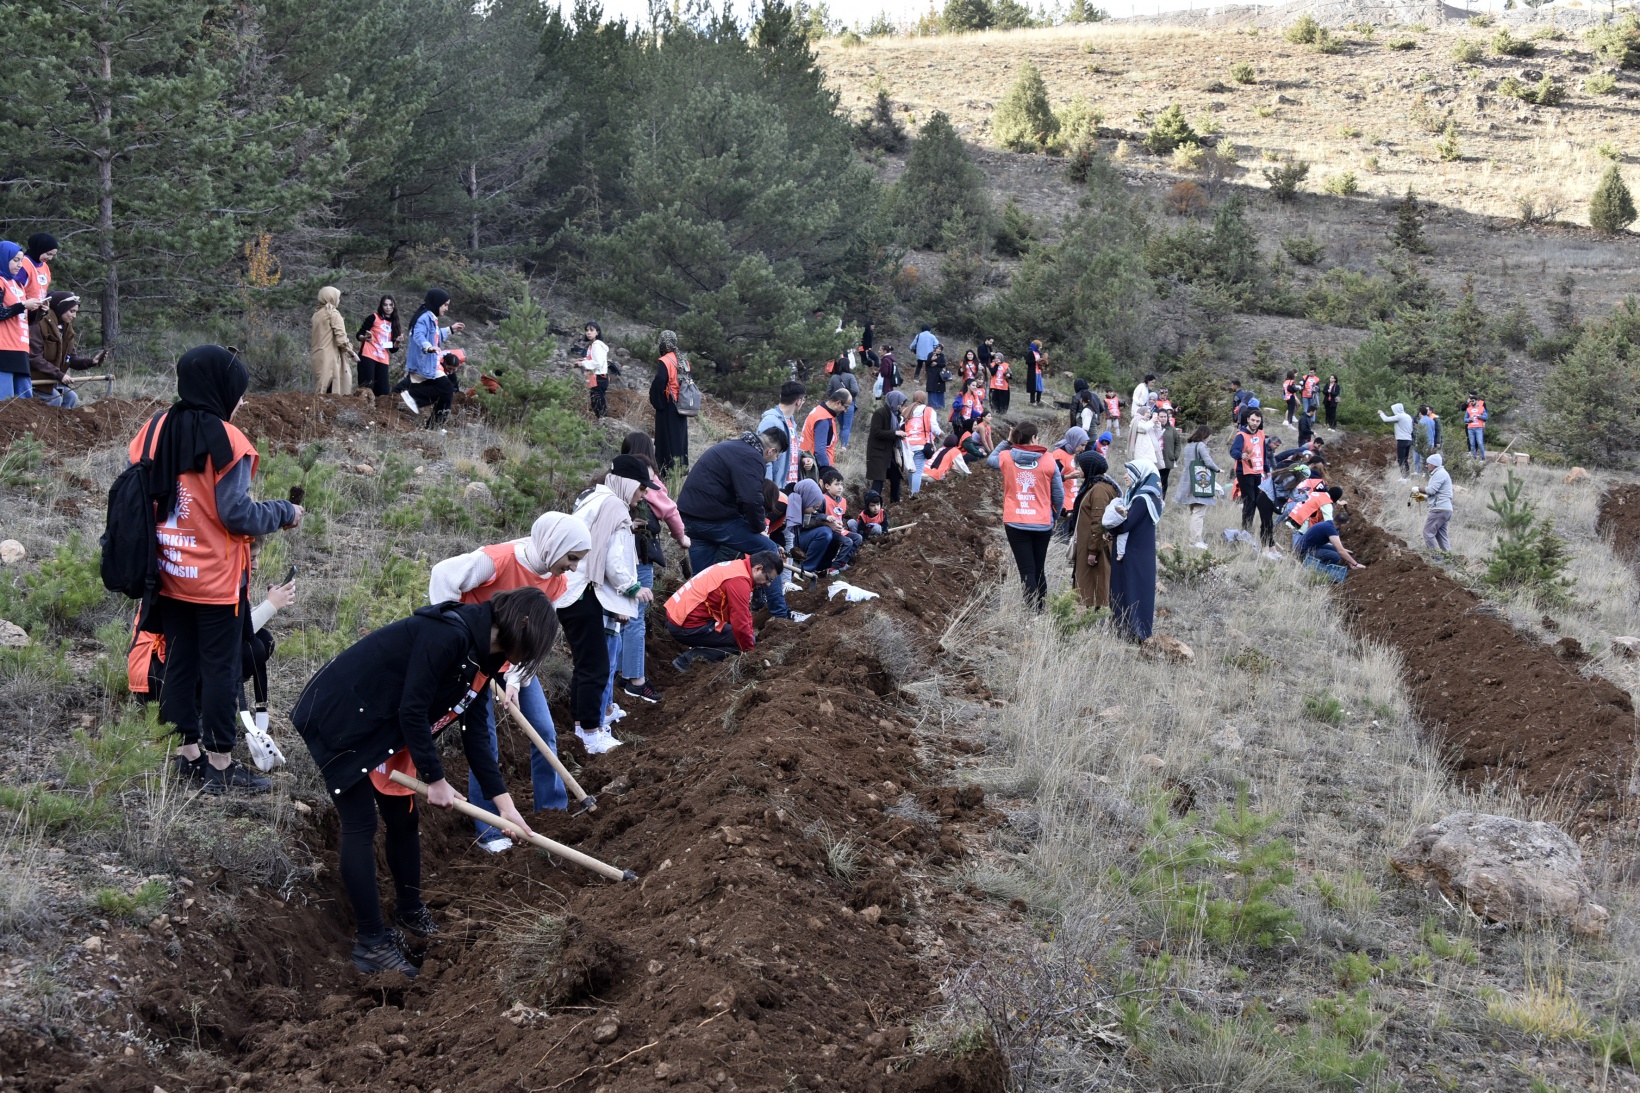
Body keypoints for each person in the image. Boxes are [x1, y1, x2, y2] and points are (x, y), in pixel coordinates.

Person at [291, 587, 555, 976]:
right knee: (361, 823)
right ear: (524, 624)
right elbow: (412, 709)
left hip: (383, 723)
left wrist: (505, 804)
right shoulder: (450, 634)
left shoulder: (487, 656)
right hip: (343, 715)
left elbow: (475, 731)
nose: (528, 660)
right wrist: (436, 779)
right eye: (535, 647)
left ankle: (410, 910)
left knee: (403, 819)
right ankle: (371, 944)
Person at [130, 346, 303, 793]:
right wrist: (285, 512)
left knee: (181, 663)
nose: (241, 402)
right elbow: (237, 515)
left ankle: (187, 756)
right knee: (222, 670)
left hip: (165, 574)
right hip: (215, 583)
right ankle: (221, 766)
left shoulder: (151, 431)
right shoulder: (229, 441)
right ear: (220, 389)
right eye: (238, 393)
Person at [427, 513, 591, 847]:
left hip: (513, 662)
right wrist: (456, 639)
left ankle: (551, 812)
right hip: (473, 661)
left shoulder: (556, 581)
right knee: (483, 739)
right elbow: (442, 574)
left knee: (544, 730)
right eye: (572, 558)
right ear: (555, 545)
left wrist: (516, 679)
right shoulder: (498, 561)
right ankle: (489, 829)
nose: (574, 567)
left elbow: (538, 638)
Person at [570, 457, 653, 754]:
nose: (642, 495)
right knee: (596, 666)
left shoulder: (592, 496)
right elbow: (613, 560)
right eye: (642, 489)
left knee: (587, 665)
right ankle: (592, 733)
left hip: (572, 589)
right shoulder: (615, 505)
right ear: (629, 482)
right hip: (584, 591)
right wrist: (632, 589)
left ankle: (582, 726)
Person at [618, 432, 690, 703]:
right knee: (635, 616)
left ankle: (618, 672)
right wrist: (681, 537)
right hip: (639, 552)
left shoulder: (614, 472)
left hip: (616, 554)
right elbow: (669, 510)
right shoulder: (645, 472)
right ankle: (635, 680)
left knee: (617, 616)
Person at [678, 429, 789, 575]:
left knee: (704, 578)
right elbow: (751, 499)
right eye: (777, 455)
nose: (775, 459)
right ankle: (771, 598)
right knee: (769, 550)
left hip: (690, 518)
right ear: (771, 451)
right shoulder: (752, 457)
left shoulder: (731, 446)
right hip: (713, 520)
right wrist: (759, 529)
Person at [989, 421, 1064, 609]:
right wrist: (1054, 517)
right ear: (1033, 438)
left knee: (1026, 570)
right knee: (1039, 569)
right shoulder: (1049, 460)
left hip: (1015, 522)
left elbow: (991, 459)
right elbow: (1058, 494)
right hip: (1042, 522)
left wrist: (1007, 441)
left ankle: (1031, 610)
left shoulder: (1006, 457)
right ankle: (1041, 609)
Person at [665, 551, 781, 672]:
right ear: (758, 568)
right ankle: (687, 661)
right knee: (740, 641)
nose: (768, 584)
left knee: (740, 634)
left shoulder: (737, 566)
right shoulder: (739, 581)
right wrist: (750, 653)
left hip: (680, 615)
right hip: (686, 625)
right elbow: (740, 625)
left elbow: (742, 614)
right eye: (768, 578)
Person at [1104, 459, 1163, 642]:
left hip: (1133, 553)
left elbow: (1127, 524)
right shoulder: (1141, 495)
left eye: (1129, 473)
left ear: (1140, 474)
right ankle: (1124, 630)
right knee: (1128, 588)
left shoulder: (1142, 499)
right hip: (1137, 551)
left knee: (1131, 589)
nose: (1125, 476)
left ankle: (1134, 632)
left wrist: (1109, 528)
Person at [28, 292, 106, 408]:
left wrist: (91, 362)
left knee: (71, 397)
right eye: (71, 311)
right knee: (55, 399)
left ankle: (60, 425)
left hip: (53, 381)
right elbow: (34, 358)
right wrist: (59, 375)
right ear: (61, 308)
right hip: (36, 381)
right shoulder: (39, 323)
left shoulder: (67, 328)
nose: (74, 316)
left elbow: (71, 358)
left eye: (76, 312)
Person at [401, 289, 464, 423]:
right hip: (423, 363)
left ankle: (434, 423)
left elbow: (434, 336)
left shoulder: (430, 317)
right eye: (445, 305)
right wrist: (428, 347)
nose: (446, 309)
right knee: (446, 388)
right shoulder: (424, 318)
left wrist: (450, 330)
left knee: (446, 390)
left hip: (429, 362)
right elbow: (418, 335)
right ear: (437, 303)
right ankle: (411, 399)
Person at [1070, 451, 1120, 609]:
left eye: (1081, 465)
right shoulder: (1097, 486)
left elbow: (1098, 522)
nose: (1079, 468)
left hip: (1094, 545)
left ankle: (1095, 614)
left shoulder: (1099, 490)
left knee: (1095, 582)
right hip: (1093, 543)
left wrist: (1092, 550)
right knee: (1093, 581)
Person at [0, 241, 46, 399]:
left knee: (26, 402)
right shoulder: (0, 282)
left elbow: (23, 318)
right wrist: (22, 305)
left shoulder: (18, 284)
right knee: (5, 402)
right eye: (15, 260)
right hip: (3, 348)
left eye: (21, 260)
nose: (20, 264)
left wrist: (39, 312)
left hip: (20, 348)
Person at [1229, 409, 1277, 548]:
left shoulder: (1261, 434)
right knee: (1249, 501)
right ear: (1248, 420)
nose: (1255, 423)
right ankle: (1246, 529)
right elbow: (1233, 451)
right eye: (1253, 420)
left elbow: (1263, 453)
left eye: (1258, 421)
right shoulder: (1241, 435)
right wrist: (1241, 455)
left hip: (1258, 471)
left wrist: (1267, 470)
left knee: (1257, 501)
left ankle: (1252, 528)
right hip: (1244, 472)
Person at [1173, 426, 1221, 549]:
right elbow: (1208, 461)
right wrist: (1218, 469)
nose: (1210, 438)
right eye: (1209, 435)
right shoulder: (1201, 446)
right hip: (1200, 481)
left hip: (1188, 480)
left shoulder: (1189, 445)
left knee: (1194, 510)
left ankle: (1194, 539)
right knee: (1199, 512)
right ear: (1206, 435)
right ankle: (1195, 540)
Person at [650, 330, 690, 472]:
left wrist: (657, 402)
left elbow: (660, 381)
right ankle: (680, 468)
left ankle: (666, 469)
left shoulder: (665, 360)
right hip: (682, 403)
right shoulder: (683, 360)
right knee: (679, 437)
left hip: (669, 405)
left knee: (666, 438)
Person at [310, 286, 358, 396]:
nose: (339, 300)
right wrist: (352, 353)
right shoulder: (333, 313)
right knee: (332, 389)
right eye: (338, 298)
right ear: (332, 297)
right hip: (330, 357)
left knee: (321, 387)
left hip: (317, 355)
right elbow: (341, 339)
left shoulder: (316, 314)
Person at [788, 478, 842, 575]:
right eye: (814, 507)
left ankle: (820, 568)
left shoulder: (805, 503)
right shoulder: (788, 504)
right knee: (824, 533)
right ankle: (805, 570)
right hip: (789, 542)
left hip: (798, 537)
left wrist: (827, 522)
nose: (814, 511)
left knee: (832, 534)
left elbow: (808, 521)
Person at [759, 381, 806, 489]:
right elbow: (765, 457)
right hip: (775, 489)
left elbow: (791, 452)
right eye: (803, 400)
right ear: (798, 401)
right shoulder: (771, 421)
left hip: (789, 487)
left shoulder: (790, 421)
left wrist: (802, 458)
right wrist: (769, 488)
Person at [866, 389, 907, 503]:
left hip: (890, 453)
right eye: (899, 403)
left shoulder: (896, 416)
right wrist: (895, 433)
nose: (900, 406)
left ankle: (895, 503)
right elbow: (876, 432)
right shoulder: (880, 413)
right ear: (893, 401)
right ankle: (872, 504)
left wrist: (899, 435)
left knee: (896, 477)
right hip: (878, 453)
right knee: (878, 480)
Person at [354, 296, 399, 399]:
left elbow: (393, 349)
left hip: (383, 358)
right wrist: (364, 338)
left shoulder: (394, 323)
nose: (388, 307)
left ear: (394, 306)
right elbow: (359, 334)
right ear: (381, 306)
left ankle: (379, 414)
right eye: (385, 305)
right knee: (367, 388)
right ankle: (363, 411)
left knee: (383, 392)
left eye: (390, 305)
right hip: (368, 354)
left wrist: (397, 342)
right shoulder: (374, 317)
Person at [819, 468, 862, 572]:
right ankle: (834, 567)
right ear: (827, 486)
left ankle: (843, 563)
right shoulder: (822, 499)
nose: (840, 487)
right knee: (848, 542)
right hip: (828, 530)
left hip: (840, 530)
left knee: (858, 538)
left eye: (841, 484)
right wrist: (826, 518)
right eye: (836, 484)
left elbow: (841, 517)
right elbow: (816, 516)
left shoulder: (843, 501)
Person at [1048, 427, 1089, 534]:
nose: (1083, 449)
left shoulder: (1070, 454)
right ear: (1074, 440)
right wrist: (1069, 476)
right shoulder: (1059, 455)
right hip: (1062, 507)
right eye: (1082, 445)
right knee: (1060, 540)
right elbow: (1050, 480)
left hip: (1071, 504)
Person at [1296, 510, 1365, 572]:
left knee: (1335, 550)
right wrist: (1355, 564)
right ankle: (1317, 570)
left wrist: (1348, 559)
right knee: (1336, 556)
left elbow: (1339, 548)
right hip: (1303, 551)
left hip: (1308, 546)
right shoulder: (1330, 529)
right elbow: (1340, 551)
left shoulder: (1330, 524)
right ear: (1343, 524)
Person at [801, 388, 850, 471]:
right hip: (816, 468)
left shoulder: (819, 410)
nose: (845, 411)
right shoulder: (823, 419)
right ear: (838, 403)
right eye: (846, 407)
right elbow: (820, 451)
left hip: (809, 461)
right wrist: (827, 471)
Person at [903, 390, 941, 496]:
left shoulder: (906, 410)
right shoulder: (928, 410)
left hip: (907, 445)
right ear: (924, 399)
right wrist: (940, 433)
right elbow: (934, 427)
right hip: (921, 444)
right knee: (918, 470)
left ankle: (912, 490)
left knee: (910, 469)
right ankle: (914, 493)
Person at [1421, 453, 1453, 552]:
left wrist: (1417, 489)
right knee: (1441, 534)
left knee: (1428, 532)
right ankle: (1449, 557)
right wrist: (1422, 498)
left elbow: (1431, 490)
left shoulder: (1440, 473)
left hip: (1439, 509)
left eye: (1428, 464)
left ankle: (1435, 557)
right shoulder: (1441, 473)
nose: (1426, 465)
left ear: (1434, 464)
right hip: (1445, 509)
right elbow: (1437, 495)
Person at [827, 359, 861, 448]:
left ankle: (841, 444)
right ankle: (844, 446)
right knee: (847, 426)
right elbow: (855, 390)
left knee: (842, 426)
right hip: (849, 404)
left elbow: (828, 392)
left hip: (837, 404)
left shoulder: (834, 377)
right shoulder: (850, 376)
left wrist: (836, 397)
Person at [581, 321, 610, 419]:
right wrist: (584, 360)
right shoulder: (593, 345)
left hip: (599, 378)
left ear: (597, 332)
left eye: (591, 330)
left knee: (599, 405)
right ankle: (602, 424)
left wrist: (583, 363)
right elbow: (594, 360)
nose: (588, 332)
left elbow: (598, 363)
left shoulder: (597, 345)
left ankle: (604, 425)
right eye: (587, 330)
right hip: (597, 378)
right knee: (596, 404)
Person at [1380, 402, 1414, 480]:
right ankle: (1407, 476)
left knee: (1401, 459)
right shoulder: (1408, 416)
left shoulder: (1400, 416)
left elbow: (1386, 419)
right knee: (1405, 459)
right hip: (1409, 439)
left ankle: (1403, 477)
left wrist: (1381, 413)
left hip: (1402, 440)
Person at [19, 234, 56, 300]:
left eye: (53, 255)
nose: (50, 258)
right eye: (48, 254)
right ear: (39, 249)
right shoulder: (23, 264)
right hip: (25, 307)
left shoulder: (44, 265)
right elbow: (17, 289)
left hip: (38, 307)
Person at [1158, 410, 1183, 497]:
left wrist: (1175, 455)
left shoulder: (1172, 429)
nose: (1163, 419)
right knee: (1154, 480)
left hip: (1167, 459)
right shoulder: (1153, 428)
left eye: (1165, 417)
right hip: (1154, 459)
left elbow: (1178, 443)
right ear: (1157, 417)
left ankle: (1162, 499)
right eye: (1161, 417)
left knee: (1164, 480)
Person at [1413, 404, 1440, 472]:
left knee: (1420, 459)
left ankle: (1419, 472)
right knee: (1427, 459)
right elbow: (1434, 432)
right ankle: (1426, 472)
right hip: (1430, 442)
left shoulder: (1421, 421)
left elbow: (1419, 433)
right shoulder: (1431, 420)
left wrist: (1416, 443)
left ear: (1420, 413)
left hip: (1422, 443)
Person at [1464, 394, 1488, 460]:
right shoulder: (1468, 409)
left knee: (1480, 442)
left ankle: (1483, 457)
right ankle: (1474, 458)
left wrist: (1479, 416)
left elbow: (1486, 417)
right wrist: (1469, 419)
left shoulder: (1482, 408)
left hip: (1479, 428)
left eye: (1473, 401)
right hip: (1470, 428)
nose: (1472, 402)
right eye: (1471, 401)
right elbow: (1465, 419)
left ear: (1477, 401)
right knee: (1472, 443)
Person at [926, 346, 949, 410]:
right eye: (937, 349)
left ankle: (940, 405)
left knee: (940, 389)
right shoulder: (930, 354)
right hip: (932, 374)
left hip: (940, 375)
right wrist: (932, 360)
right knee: (932, 389)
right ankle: (932, 405)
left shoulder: (942, 355)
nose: (938, 350)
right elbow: (927, 363)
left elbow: (943, 364)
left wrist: (936, 363)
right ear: (935, 349)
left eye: (940, 349)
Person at [1026, 341, 1047, 406]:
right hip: (1033, 372)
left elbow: (1040, 362)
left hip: (1039, 372)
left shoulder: (1038, 353)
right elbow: (1027, 362)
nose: (1040, 349)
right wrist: (1035, 361)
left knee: (1039, 387)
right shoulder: (1030, 352)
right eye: (1039, 347)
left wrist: (1043, 362)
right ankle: (1032, 401)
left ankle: (1038, 401)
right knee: (1033, 387)